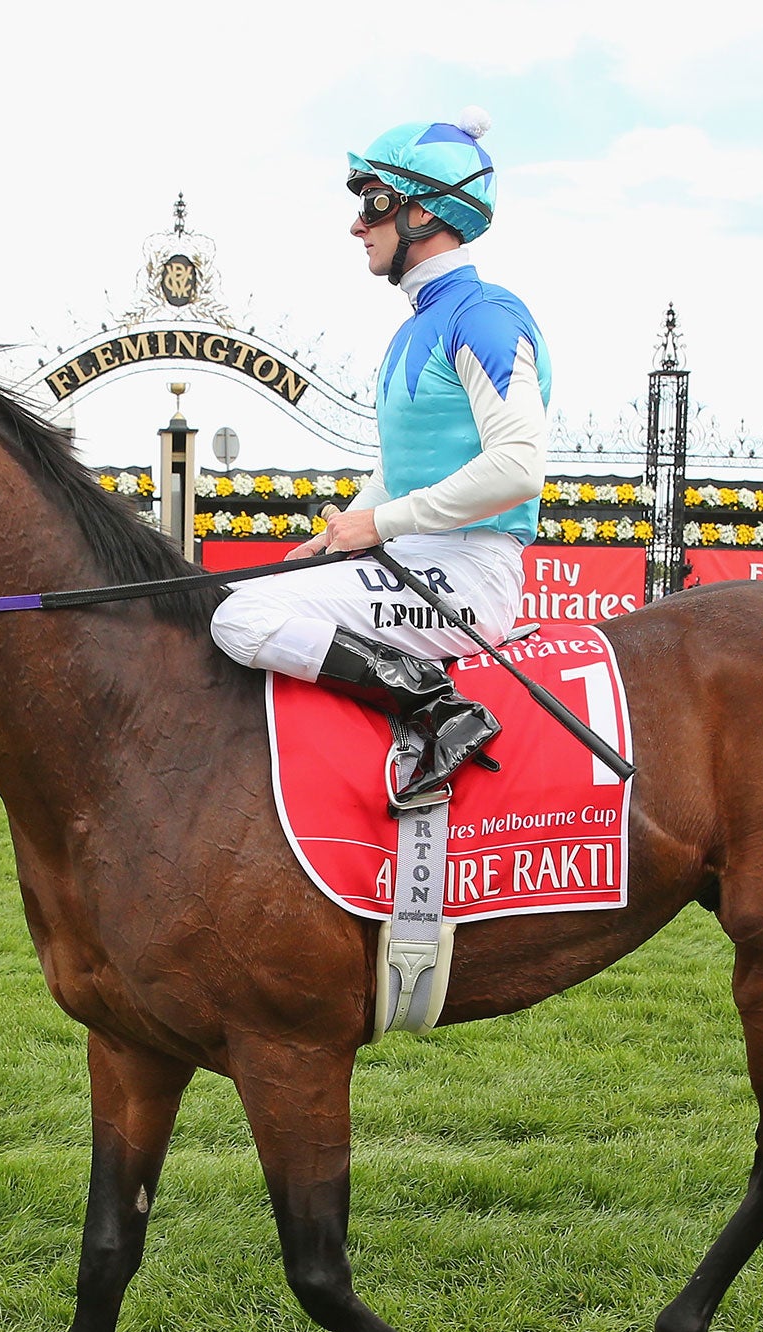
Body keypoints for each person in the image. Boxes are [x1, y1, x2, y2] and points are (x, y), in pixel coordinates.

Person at [209, 107, 550, 807]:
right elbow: (398, 473)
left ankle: (440, 710)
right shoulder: (416, 330)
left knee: (236, 620)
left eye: (373, 205)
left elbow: (518, 464)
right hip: (421, 562)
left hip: (468, 576)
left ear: (421, 213)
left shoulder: (484, 315)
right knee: (233, 599)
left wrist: (380, 525)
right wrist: (334, 536)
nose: (357, 225)